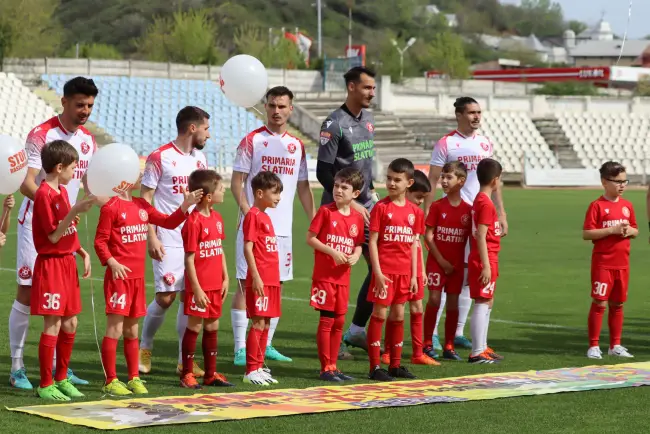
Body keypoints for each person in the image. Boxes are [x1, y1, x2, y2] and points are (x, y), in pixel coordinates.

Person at [10, 76, 99, 390]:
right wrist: (54, 208)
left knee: (66, 308)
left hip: (66, 229)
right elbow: (27, 181)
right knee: (26, 290)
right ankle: (17, 366)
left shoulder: (88, 140)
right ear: (64, 102)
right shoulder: (42, 135)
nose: (85, 110)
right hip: (37, 223)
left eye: (89, 105)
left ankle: (61, 370)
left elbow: (88, 183)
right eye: (79, 105)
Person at [94, 174, 203, 396]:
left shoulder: (142, 205)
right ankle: (111, 380)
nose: (141, 176)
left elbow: (168, 222)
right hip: (119, 279)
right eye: (135, 172)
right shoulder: (111, 207)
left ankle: (133, 377)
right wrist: (112, 263)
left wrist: (186, 204)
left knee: (132, 330)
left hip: (137, 279)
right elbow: (100, 241)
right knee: (115, 329)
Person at [231, 86, 314, 365]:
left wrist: (313, 219)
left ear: (291, 109)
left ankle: (265, 344)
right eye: (272, 106)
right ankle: (241, 349)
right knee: (246, 285)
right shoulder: (251, 141)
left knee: (275, 286)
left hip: (283, 230)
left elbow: (303, 186)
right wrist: (249, 214)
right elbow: (237, 181)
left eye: (282, 106)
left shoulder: (297, 146)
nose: (276, 111)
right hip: (254, 228)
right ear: (265, 108)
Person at [423, 96, 508, 353]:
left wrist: (501, 213)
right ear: (459, 114)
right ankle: (434, 335)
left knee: (468, 278)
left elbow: (493, 180)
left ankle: (458, 331)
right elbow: (433, 178)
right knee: (447, 276)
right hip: (455, 217)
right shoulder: (446, 143)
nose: (476, 117)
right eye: (471, 112)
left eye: (479, 112)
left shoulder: (484, 143)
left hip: (478, 217)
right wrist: (428, 213)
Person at [138, 106, 210, 377]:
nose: (208, 134)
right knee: (166, 297)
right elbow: (145, 198)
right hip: (167, 237)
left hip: (194, 238)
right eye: (206, 128)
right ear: (193, 128)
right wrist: (151, 236)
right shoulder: (160, 157)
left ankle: (185, 359)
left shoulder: (200, 160)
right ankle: (144, 347)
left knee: (189, 299)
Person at [317, 66, 379, 359]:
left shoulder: (368, 119)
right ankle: (333, 343)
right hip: (339, 210)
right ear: (352, 87)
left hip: (366, 206)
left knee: (378, 266)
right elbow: (322, 170)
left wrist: (372, 193)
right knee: (336, 273)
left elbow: (366, 163)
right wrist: (350, 202)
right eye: (367, 88)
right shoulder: (334, 123)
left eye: (373, 88)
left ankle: (356, 330)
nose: (372, 93)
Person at [30, 141, 95, 400]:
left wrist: (82, 252)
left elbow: (68, 230)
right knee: (53, 323)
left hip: (68, 263)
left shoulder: (62, 193)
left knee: (71, 322)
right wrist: (74, 212)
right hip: (51, 265)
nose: (75, 172)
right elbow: (54, 236)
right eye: (73, 167)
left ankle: (62, 377)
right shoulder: (44, 194)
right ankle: (46, 384)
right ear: (59, 167)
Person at [306, 168, 365, 382]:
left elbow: (358, 243)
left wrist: (356, 255)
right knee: (327, 321)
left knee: (339, 321)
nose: (338, 190)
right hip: (324, 277)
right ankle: (325, 368)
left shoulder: (357, 218)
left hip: (343, 278)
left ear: (355, 194)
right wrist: (332, 252)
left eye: (344, 187)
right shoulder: (325, 212)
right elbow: (311, 238)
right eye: (336, 185)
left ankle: (333, 365)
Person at [366, 158, 421, 382]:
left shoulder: (415, 212)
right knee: (380, 313)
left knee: (398, 315)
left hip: (405, 273)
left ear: (409, 183)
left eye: (397, 180)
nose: (391, 183)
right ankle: (374, 366)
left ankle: (395, 365)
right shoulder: (381, 208)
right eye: (389, 178)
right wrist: (377, 273)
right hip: (385, 273)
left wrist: (415, 275)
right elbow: (372, 242)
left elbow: (414, 245)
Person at [180, 169, 235, 389]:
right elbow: (189, 259)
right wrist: (196, 288)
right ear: (209, 197)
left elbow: (218, 249)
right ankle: (186, 373)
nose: (225, 191)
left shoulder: (217, 218)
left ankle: (210, 374)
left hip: (215, 284)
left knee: (213, 326)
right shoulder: (193, 222)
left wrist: (226, 277)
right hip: (200, 286)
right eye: (222, 188)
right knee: (194, 326)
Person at [380, 170, 438, 366]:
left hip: (413, 269)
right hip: (396, 268)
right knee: (395, 310)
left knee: (417, 307)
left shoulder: (416, 214)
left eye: (423, 198)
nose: (421, 201)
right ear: (408, 190)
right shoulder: (391, 209)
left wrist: (420, 271)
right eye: (418, 197)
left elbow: (417, 244)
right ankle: (388, 350)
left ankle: (417, 352)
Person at [583, 161, 637, 359]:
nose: (622, 185)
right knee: (600, 303)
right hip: (603, 263)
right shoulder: (597, 206)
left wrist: (630, 231)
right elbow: (587, 233)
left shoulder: (627, 206)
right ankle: (593, 346)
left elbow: (635, 229)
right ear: (605, 182)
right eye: (618, 181)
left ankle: (615, 345)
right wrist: (612, 230)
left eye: (625, 181)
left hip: (622, 263)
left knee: (618, 304)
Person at [423, 162, 472, 361]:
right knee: (434, 299)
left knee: (453, 303)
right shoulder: (437, 207)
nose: (443, 180)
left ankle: (449, 345)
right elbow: (428, 236)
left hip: (457, 265)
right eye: (442, 176)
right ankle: (427, 343)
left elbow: (472, 239)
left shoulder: (468, 211)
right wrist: (441, 260)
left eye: (448, 177)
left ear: (461, 181)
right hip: (437, 262)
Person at [242, 172, 283, 386]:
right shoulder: (253, 215)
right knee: (258, 321)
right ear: (259, 193)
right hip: (261, 279)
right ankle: (251, 369)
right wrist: (256, 276)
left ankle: (259, 366)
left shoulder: (266, 216)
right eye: (275, 192)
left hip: (272, 279)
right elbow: (247, 247)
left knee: (266, 321)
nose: (278, 197)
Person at [467, 158, 503, 364]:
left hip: (488, 256)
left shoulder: (480, 200)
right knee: (482, 301)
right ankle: (476, 352)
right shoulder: (485, 203)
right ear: (495, 180)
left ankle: (483, 346)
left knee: (487, 300)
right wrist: (486, 265)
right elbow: (480, 235)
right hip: (485, 258)